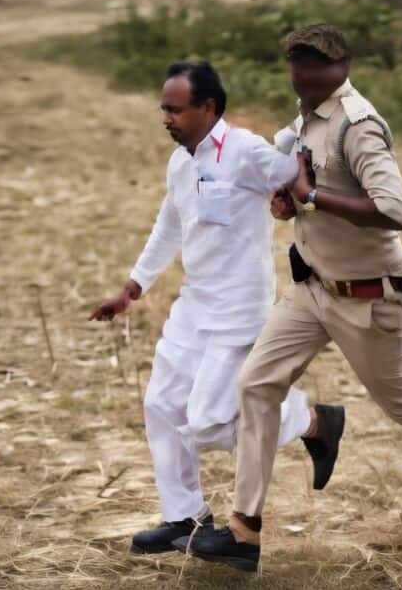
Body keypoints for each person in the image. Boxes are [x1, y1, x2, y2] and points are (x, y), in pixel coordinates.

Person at [180, 25, 402, 571]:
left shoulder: (358, 128)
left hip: (368, 298)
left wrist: (311, 196)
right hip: (310, 289)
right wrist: (289, 205)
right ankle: (243, 531)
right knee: (256, 384)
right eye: (298, 63)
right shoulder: (301, 124)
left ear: (343, 65)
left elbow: (395, 209)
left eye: (318, 64)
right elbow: (303, 197)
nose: (306, 73)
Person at [89, 61, 327, 556]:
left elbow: (297, 175)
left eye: (175, 109)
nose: (166, 118)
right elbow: (167, 228)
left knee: (206, 420)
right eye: (163, 109)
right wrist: (131, 289)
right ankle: (185, 517)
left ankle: (311, 420)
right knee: (160, 405)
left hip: (239, 310)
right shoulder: (181, 164)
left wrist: (287, 198)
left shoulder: (244, 151)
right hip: (194, 306)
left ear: (208, 108)